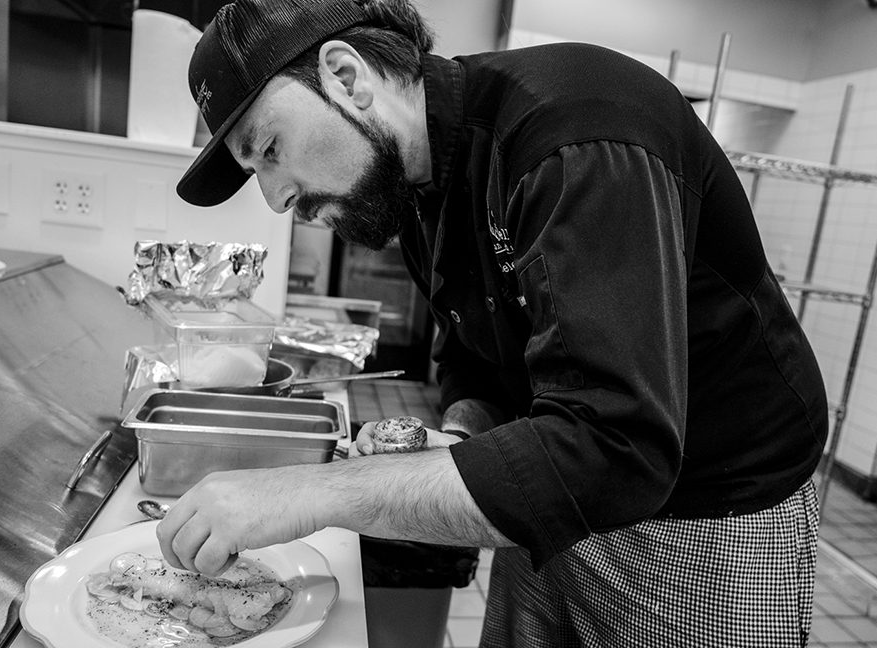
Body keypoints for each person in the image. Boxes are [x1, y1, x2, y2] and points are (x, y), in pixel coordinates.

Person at [160, 0, 829, 645]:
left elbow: (617, 449)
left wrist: (310, 492)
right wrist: (459, 434)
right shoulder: (421, 186)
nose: (277, 199)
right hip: (556, 496)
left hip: (708, 520)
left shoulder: (574, 138)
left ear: (345, 76)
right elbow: (473, 356)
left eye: (270, 148)